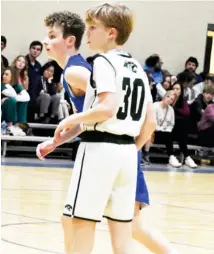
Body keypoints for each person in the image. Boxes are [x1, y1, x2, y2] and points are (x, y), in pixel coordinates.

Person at [37, 6, 177, 254]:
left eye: (51, 35)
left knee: (82, 222)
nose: (45, 42)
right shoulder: (134, 66)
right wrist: (131, 148)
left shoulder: (84, 68)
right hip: (124, 151)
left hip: (102, 149)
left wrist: (67, 122)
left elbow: (105, 107)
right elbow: (149, 119)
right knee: (114, 229)